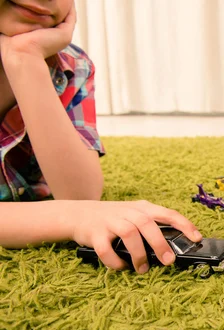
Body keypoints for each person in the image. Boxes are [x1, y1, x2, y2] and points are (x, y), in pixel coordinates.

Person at [0, 0, 201, 273]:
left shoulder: (73, 65)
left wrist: (25, 58)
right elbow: (78, 208)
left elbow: (80, 194)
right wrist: (70, 217)